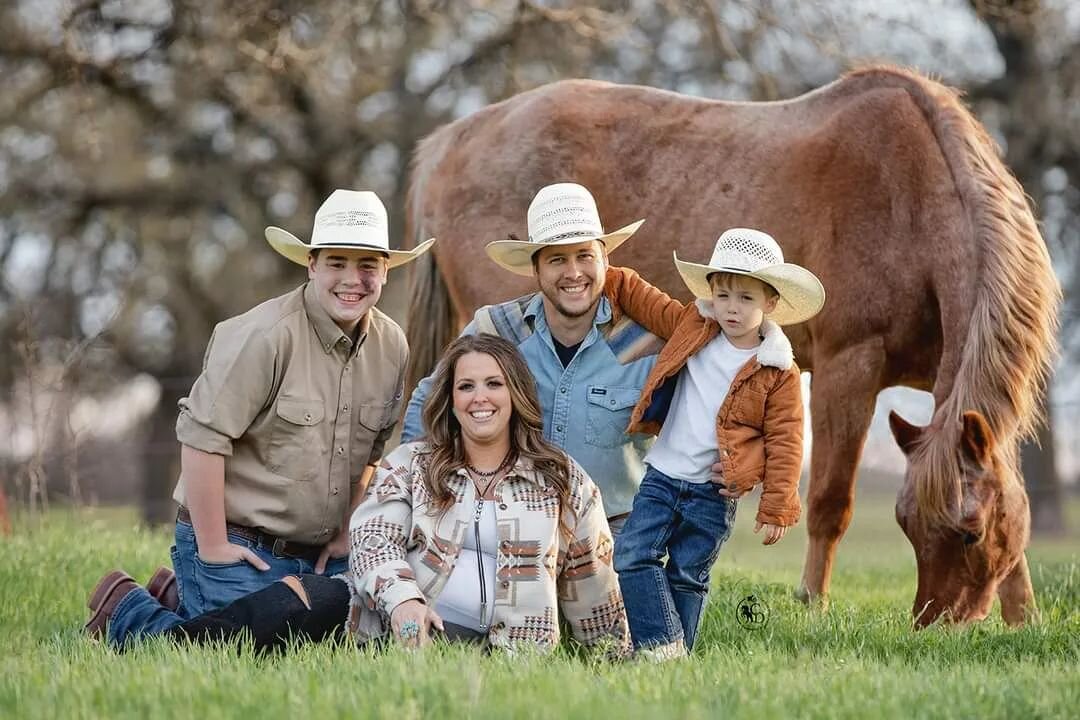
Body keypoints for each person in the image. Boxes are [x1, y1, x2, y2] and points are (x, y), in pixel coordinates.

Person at [84, 335, 629, 657]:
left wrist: (611, 657)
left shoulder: (562, 481)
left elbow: (592, 577)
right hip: (389, 628)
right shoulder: (414, 465)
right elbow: (372, 538)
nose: (480, 398)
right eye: (466, 385)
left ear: (516, 394)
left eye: (493, 384)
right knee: (291, 609)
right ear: (451, 398)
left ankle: (157, 604)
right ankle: (136, 617)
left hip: (502, 652)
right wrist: (403, 600)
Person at [84, 189, 434, 641]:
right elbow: (202, 439)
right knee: (248, 648)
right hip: (242, 543)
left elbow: (369, 455)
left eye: (367, 265)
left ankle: (177, 599)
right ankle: (127, 609)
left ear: (386, 270)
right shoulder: (262, 337)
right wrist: (213, 547)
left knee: (365, 634)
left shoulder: (392, 346)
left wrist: (346, 531)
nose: (353, 279)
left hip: (321, 551)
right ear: (311, 265)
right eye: (336, 263)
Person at [404, 183, 701, 534]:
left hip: (613, 533)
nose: (573, 272)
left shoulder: (650, 347)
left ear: (605, 259)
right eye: (557, 259)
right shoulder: (498, 330)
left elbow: (702, 421)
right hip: (510, 526)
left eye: (584, 256)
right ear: (536, 269)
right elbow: (429, 398)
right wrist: (411, 487)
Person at [610, 228, 825, 660]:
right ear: (711, 293)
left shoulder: (777, 370)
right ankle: (663, 646)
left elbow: (786, 439)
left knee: (688, 575)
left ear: (770, 303)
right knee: (633, 554)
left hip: (714, 493)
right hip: (663, 477)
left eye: (746, 298)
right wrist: (605, 272)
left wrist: (778, 502)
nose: (732, 307)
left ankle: (668, 657)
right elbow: (644, 299)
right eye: (724, 294)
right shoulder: (693, 327)